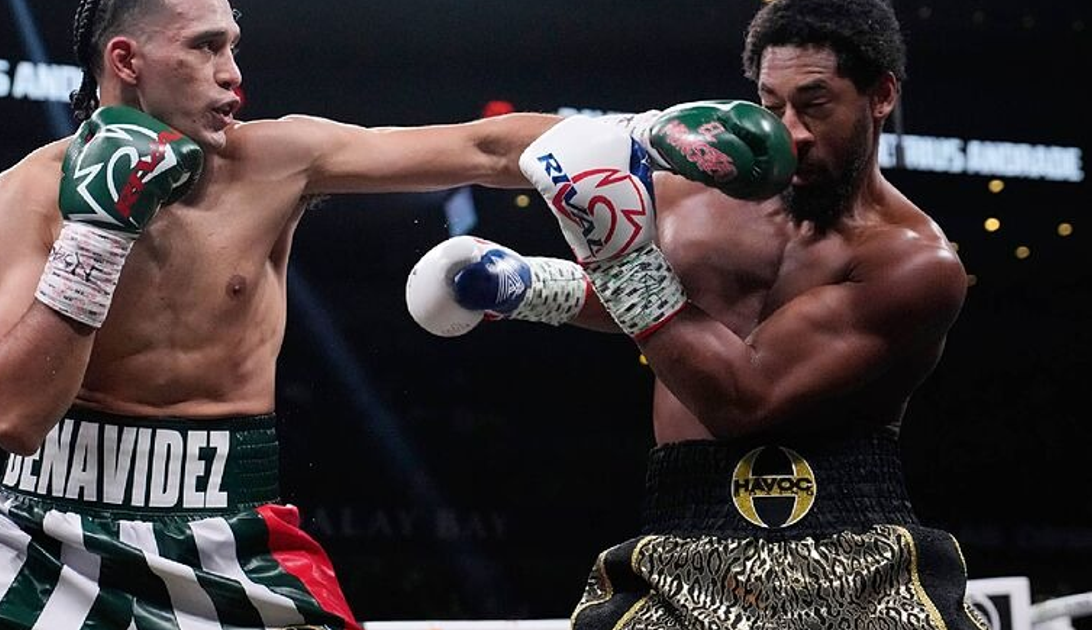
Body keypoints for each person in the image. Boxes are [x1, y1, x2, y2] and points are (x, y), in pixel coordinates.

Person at [0, 0, 582, 628]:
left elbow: (486, 148)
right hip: (44, 534)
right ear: (126, 61)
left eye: (232, 46)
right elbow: (14, 420)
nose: (232, 72)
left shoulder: (276, 161)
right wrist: (97, 235)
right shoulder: (25, 194)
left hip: (235, 536)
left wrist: (629, 137)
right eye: (206, 47)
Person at [406, 0, 988, 627]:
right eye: (771, 105)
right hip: (678, 533)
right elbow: (670, 304)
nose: (791, 131)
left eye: (815, 104)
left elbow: (743, 395)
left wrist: (616, 250)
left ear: (881, 96)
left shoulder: (915, 262)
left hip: (858, 552)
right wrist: (527, 286)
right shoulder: (693, 190)